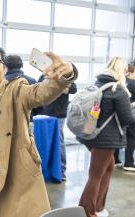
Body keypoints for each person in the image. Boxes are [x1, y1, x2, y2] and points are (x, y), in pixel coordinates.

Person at [0, 43, 78, 217]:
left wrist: (64, 75)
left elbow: (41, 92)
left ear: (4, 68)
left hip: (7, 182)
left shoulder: (16, 91)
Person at [77, 57, 135, 217]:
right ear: (121, 71)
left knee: (107, 168)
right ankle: (88, 212)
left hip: (92, 135)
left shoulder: (97, 84)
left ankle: (98, 206)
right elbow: (127, 119)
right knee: (96, 175)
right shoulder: (118, 89)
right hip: (106, 139)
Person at [37, 74, 77, 181]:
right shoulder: (44, 75)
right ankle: (45, 168)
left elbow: (73, 89)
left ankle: (61, 170)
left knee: (58, 141)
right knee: (44, 141)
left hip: (59, 115)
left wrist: (62, 87)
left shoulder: (65, 76)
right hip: (44, 114)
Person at [5, 54, 37, 134]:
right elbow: (38, 105)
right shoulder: (31, 81)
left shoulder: (0, 82)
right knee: (27, 145)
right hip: (27, 121)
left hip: (5, 122)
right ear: (21, 65)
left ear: (5, 66)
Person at [114, 62, 135, 171]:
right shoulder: (133, 83)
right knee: (131, 137)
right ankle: (129, 163)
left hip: (119, 113)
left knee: (119, 135)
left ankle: (115, 160)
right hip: (131, 115)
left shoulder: (120, 82)